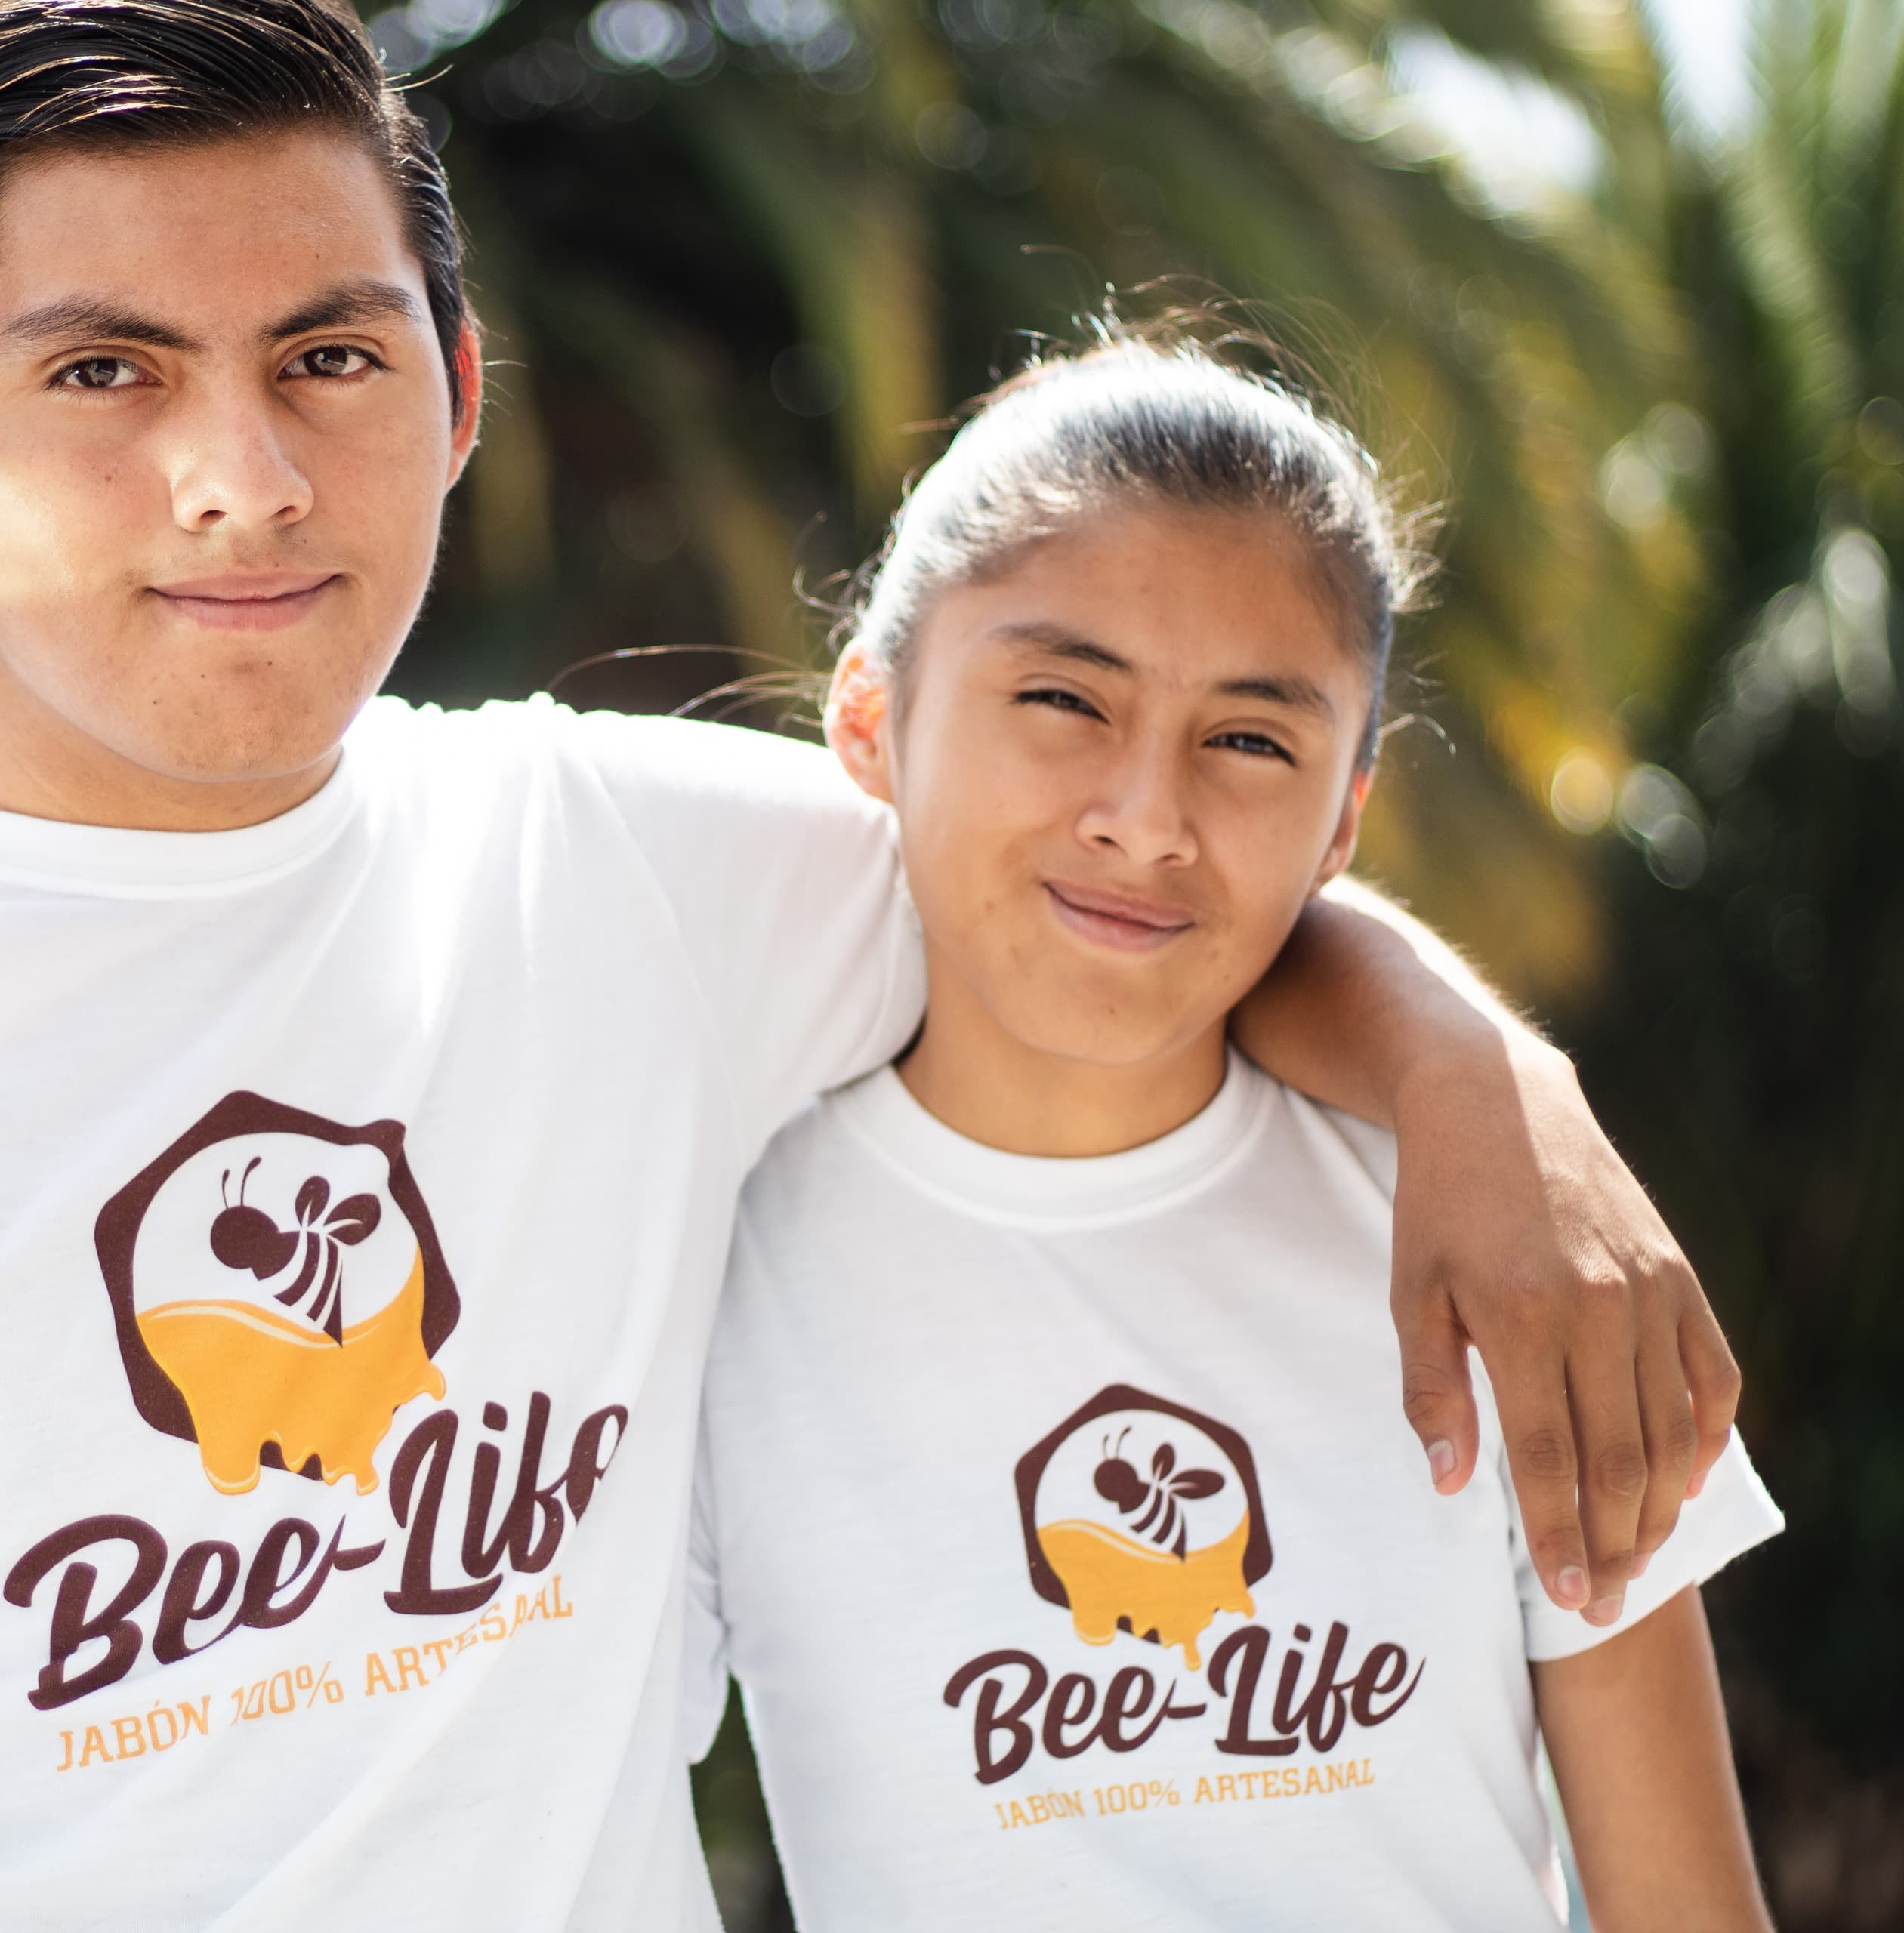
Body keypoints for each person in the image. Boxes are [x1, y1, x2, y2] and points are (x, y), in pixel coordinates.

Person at [0, 4, 1742, 1927]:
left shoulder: (641, 875)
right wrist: (1488, 1088)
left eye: (327, 358)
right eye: (104, 375)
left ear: (455, 388)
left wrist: (1476, 1089)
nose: (243, 475)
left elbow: (1126, 884)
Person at [685, 338, 1780, 1928]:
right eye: (1063, 698)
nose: (1147, 818)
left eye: (1252, 739)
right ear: (871, 716)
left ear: (1345, 818)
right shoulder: (705, 1273)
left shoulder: (1502, 1239)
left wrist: (1476, 1083)